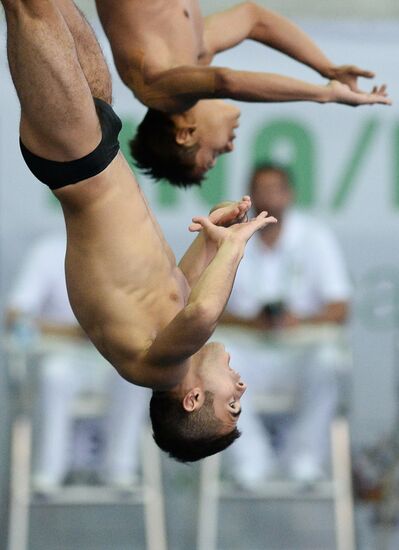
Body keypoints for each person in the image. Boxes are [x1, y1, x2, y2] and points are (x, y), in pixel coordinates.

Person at [1, 0, 276, 462]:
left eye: (232, 402)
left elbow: (202, 313)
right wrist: (212, 237)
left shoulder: (157, 368)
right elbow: (183, 289)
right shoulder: (167, 347)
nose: (241, 387)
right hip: (94, 145)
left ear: (192, 400)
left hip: (75, 157)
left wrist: (235, 245)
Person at [95, 0, 390, 186]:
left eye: (212, 157)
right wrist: (328, 69)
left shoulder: (158, 90)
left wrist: (326, 93)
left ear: (185, 134)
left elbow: (228, 81)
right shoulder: (189, 56)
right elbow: (253, 18)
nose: (230, 148)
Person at [221, 163, 351, 485]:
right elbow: (208, 308)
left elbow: (340, 307)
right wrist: (251, 323)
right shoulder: (232, 239)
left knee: (329, 362)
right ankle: (251, 461)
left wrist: (299, 320)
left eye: (275, 188)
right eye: (260, 189)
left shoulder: (315, 237)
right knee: (218, 364)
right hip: (251, 353)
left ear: (290, 194)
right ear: (249, 196)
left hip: (300, 349)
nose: (268, 196)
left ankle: (304, 459)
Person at [6, 234, 150, 491]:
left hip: (112, 359)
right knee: (55, 374)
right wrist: (76, 332)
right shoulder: (48, 253)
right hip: (66, 356)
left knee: (136, 378)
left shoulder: (130, 254)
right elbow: (16, 317)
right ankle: (49, 473)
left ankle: (120, 469)